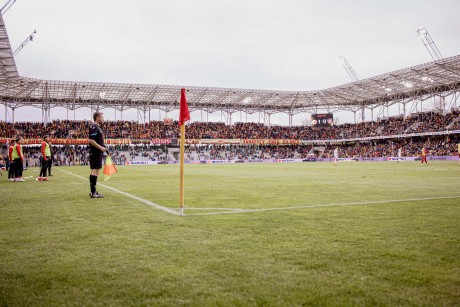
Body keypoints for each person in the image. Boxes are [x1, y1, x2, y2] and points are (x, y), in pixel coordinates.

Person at [88, 111, 108, 198]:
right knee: (95, 170)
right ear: (97, 118)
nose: (103, 119)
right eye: (102, 117)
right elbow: (91, 140)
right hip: (96, 152)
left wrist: (105, 149)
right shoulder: (94, 127)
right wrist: (100, 148)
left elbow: (98, 140)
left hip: (97, 152)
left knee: (95, 170)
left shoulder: (97, 127)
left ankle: (93, 191)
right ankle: (93, 192)